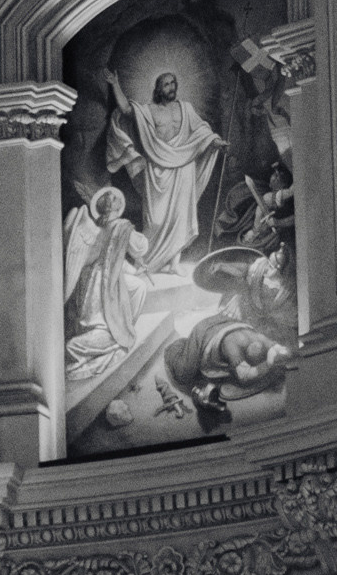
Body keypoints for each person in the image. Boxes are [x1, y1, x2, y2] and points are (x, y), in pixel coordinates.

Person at [104, 70, 222, 273]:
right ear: (158, 89)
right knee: (155, 219)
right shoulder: (148, 110)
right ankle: (146, 261)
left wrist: (215, 141)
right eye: (166, 84)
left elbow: (201, 129)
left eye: (173, 83)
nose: (171, 87)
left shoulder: (185, 108)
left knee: (181, 217)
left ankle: (174, 265)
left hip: (184, 165)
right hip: (158, 166)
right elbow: (124, 110)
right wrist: (115, 84)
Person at [63, 186, 153, 384]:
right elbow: (139, 247)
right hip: (104, 281)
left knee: (138, 287)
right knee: (109, 328)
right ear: (117, 207)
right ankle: (116, 329)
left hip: (97, 276)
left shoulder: (97, 226)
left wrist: (134, 269)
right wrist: (138, 247)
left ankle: (122, 324)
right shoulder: (122, 226)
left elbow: (115, 257)